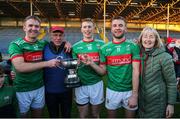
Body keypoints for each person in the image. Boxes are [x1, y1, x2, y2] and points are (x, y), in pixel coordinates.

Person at [82, 16, 140, 118]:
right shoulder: (104, 48)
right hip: (112, 90)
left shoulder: (133, 46)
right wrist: (91, 63)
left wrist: (134, 95)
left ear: (125, 28)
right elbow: (103, 72)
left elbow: (136, 71)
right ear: (111, 29)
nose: (117, 28)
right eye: (115, 25)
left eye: (120, 25)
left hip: (129, 91)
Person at [8, 15, 61, 118]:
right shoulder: (16, 44)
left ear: (39, 29)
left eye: (36, 26)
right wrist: (47, 63)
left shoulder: (43, 43)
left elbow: (57, 43)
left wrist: (66, 43)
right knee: (23, 116)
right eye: (30, 25)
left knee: (38, 115)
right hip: (22, 89)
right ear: (24, 27)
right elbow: (20, 67)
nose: (34, 28)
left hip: (39, 87)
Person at [138, 26, 177, 118]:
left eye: (151, 36)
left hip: (157, 104)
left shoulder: (165, 57)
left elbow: (171, 83)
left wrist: (171, 104)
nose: (148, 39)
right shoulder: (138, 55)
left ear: (156, 39)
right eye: (145, 36)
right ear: (141, 39)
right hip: (140, 103)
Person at [72, 18, 105, 118]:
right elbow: (73, 69)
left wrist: (91, 63)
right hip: (81, 85)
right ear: (81, 29)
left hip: (96, 85)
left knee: (95, 115)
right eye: (85, 27)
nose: (87, 29)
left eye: (89, 27)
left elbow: (103, 72)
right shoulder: (75, 47)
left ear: (94, 28)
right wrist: (76, 64)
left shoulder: (102, 45)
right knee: (83, 115)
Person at [43, 26, 72, 118]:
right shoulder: (44, 47)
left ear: (63, 36)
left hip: (66, 90)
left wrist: (67, 43)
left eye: (60, 35)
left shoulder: (69, 49)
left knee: (66, 115)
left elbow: (75, 66)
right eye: (55, 35)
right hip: (50, 91)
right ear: (50, 35)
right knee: (53, 115)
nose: (58, 38)